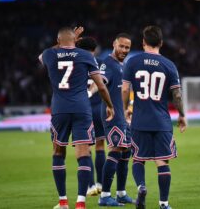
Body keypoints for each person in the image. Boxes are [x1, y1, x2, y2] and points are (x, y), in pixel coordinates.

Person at [41, 27, 114, 209]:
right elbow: (101, 86)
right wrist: (110, 106)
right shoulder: (86, 56)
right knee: (83, 153)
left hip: (60, 109)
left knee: (58, 152)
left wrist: (65, 41)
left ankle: (63, 201)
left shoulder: (50, 54)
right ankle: (81, 202)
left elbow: (42, 57)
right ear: (75, 40)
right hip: (82, 109)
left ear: (58, 41)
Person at [122, 25, 187, 209]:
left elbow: (126, 89)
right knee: (162, 161)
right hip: (161, 121)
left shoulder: (132, 62)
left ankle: (142, 186)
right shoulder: (169, 65)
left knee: (138, 159)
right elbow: (177, 96)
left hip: (139, 120)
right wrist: (182, 115)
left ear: (143, 43)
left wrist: (125, 108)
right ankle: (164, 204)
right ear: (161, 43)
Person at [92, 33, 134, 206]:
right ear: (114, 44)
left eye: (127, 47)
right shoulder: (108, 64)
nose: (124, 50)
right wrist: (109, 105)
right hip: (112, 115)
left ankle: (121, 193)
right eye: (121, 46)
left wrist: (128, 108)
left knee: (125, 152)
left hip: (122, 115)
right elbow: (100, 83)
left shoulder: (121, 65)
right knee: (115, 151)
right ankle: (105, 196)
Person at [76, 37, 106, 196]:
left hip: (82, 109)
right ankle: (101, 184)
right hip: (99, 108)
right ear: (95, 49)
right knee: (100, 146)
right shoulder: (102, 62)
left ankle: (90, 185)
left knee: (85, 148)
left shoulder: (76, 62)